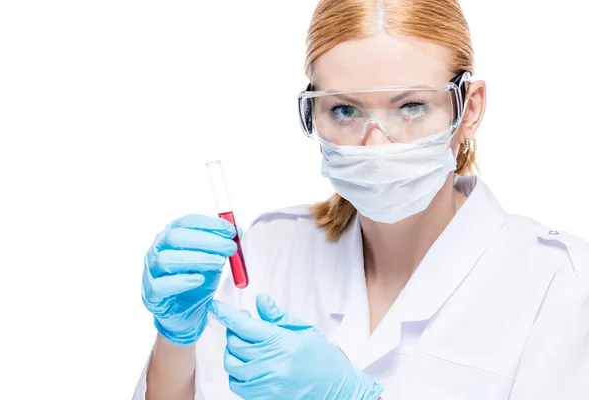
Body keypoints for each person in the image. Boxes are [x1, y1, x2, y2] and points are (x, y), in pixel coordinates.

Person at [133, 0, 589, 399]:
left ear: (468, 108)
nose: (375, 146)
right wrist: (175, 340)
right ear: (314, 112)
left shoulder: (558, 282)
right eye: (344, 110)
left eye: (411, 107)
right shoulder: (267, 252)